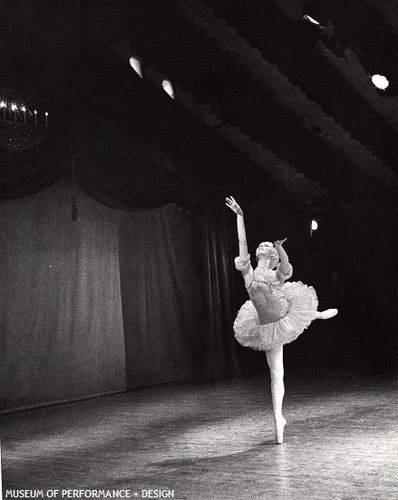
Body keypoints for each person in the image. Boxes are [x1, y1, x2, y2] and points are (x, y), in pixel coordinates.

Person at [226, 196, 338, 444]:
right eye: (263, 244)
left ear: (272, 253)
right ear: (258, 253)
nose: (263, 245)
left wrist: (280, 245)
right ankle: (278, 418)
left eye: (268, 245)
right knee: (276, 374)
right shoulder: (249, 271)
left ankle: (315, 313)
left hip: (284, 310)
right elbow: (241, 243)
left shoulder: (277, 274)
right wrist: (240, 216)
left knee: (294, 305)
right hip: (267, 324)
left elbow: (287, 267)